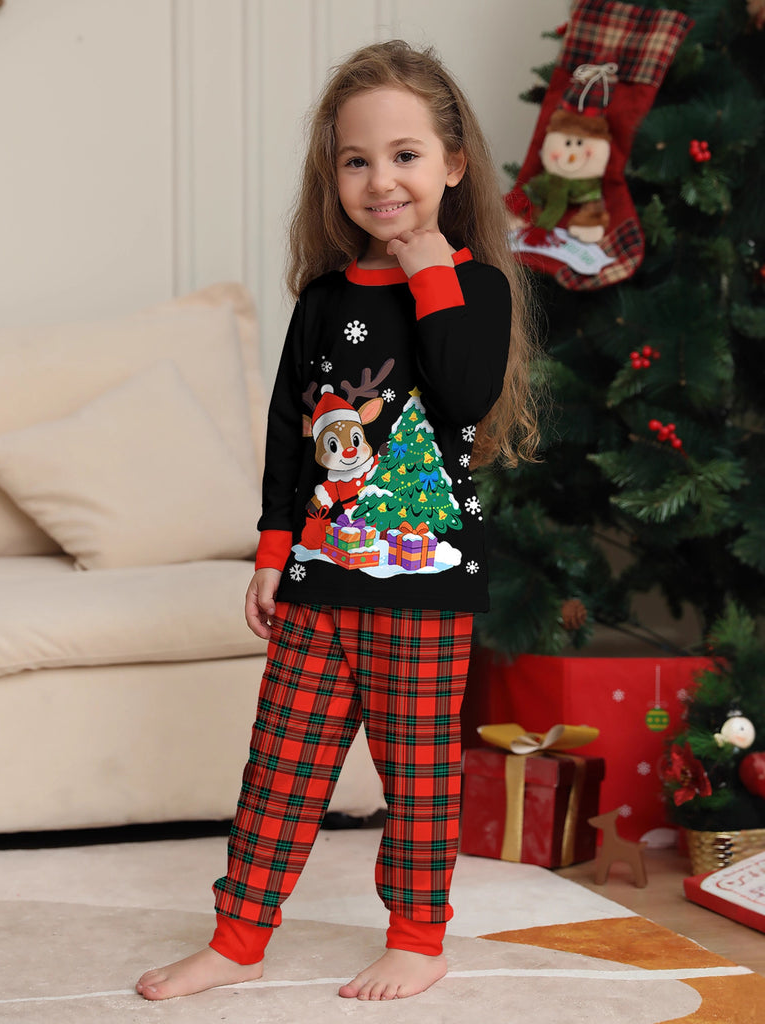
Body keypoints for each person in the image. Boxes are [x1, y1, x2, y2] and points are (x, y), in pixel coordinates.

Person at [136, 38, 539, 1004]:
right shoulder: (324, 301)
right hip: (319, 579)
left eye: (405, 155)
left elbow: (462, 387)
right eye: (356, 160)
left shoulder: (474, 287)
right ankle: (237, 940)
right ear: (334, 176)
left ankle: (417, 938)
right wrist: (274, 550)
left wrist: (430, 264)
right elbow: (287, 433)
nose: (381, 179)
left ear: (452, 165)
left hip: (424, 590)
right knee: (280, 768)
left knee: (417, 777)